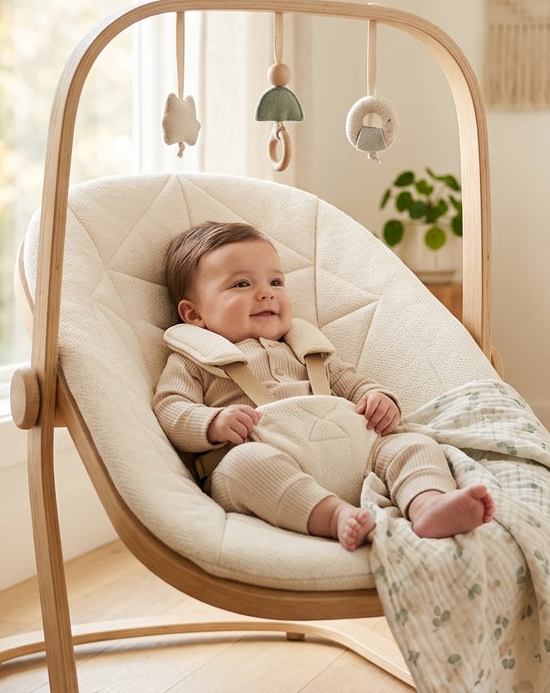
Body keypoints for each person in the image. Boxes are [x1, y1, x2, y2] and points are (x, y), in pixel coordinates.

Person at [153, 221, 494, 551]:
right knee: (245, 466)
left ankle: (427, 505)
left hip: (350, 452)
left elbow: (351, 382)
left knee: (413, 444)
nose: (265, 294)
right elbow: (169, 407)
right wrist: (212, 424)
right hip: (267, 455)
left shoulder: (306, 349)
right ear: (194, 315)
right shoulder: (195, 359)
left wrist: (375, 397)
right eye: (242, 285)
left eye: (275, 281)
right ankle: (334, 517)